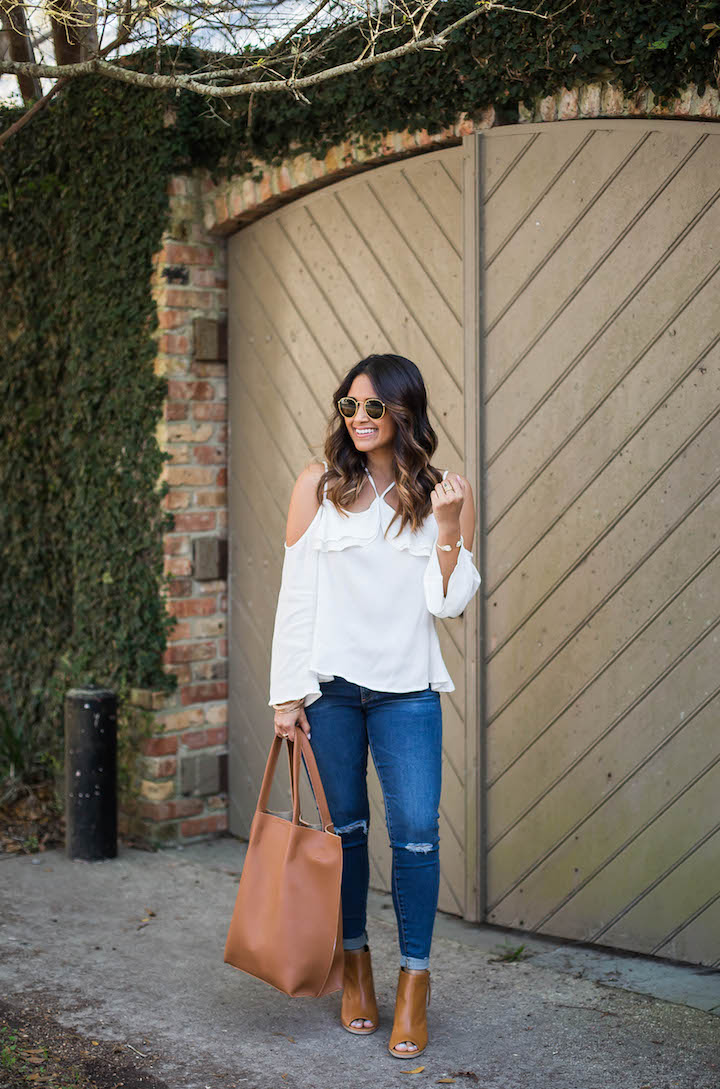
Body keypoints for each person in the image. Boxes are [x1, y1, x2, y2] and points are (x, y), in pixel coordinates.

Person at [268, 353, 481, 1059]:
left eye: (372, 408)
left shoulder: (443, 491)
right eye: (348, 406)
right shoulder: (317, 486)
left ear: (403, 413)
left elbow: (446, 605)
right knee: (349, 835)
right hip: (330, 694)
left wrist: (448, 524)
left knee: (417, 832)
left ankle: (414, 979)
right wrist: (285, 697)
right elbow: (295, 597)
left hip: (408, 692)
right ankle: (354, 963)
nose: (358, 419)